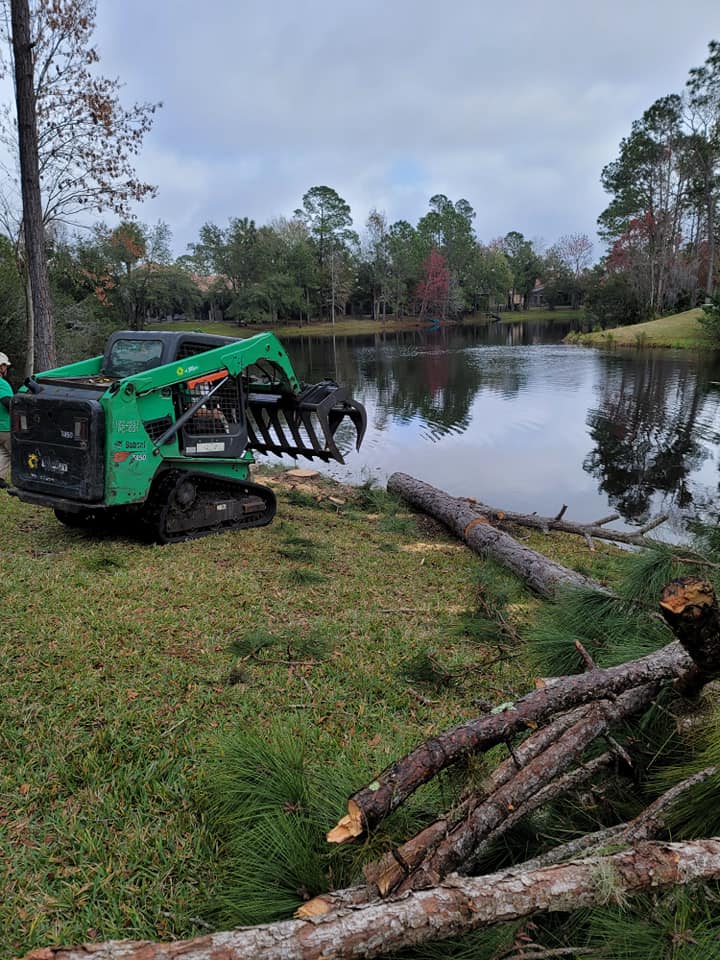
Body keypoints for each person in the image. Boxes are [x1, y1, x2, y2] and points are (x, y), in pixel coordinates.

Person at [0, 352, 13, 487]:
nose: (6, 369)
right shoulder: (2, 384)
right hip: (4, 426)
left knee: (4, 452)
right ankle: (26, 480)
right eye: (5, 366)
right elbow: (6, 401)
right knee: (18, 453)